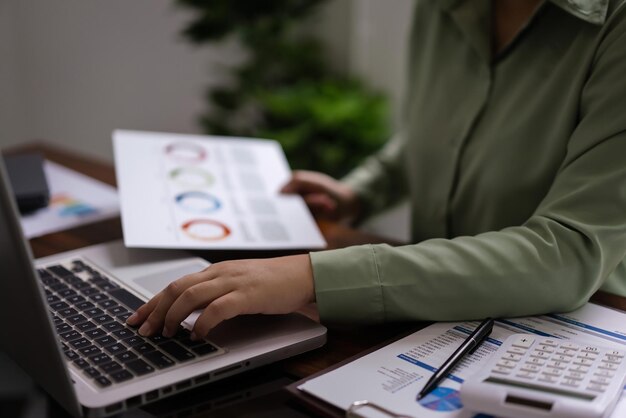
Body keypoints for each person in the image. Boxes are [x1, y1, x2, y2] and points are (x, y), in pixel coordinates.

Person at [127, 0, 626, 340]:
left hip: (572, 330)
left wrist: (313, 276)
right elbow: (444, 127)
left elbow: (569, 251)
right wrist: (360, 191)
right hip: (429, 322)